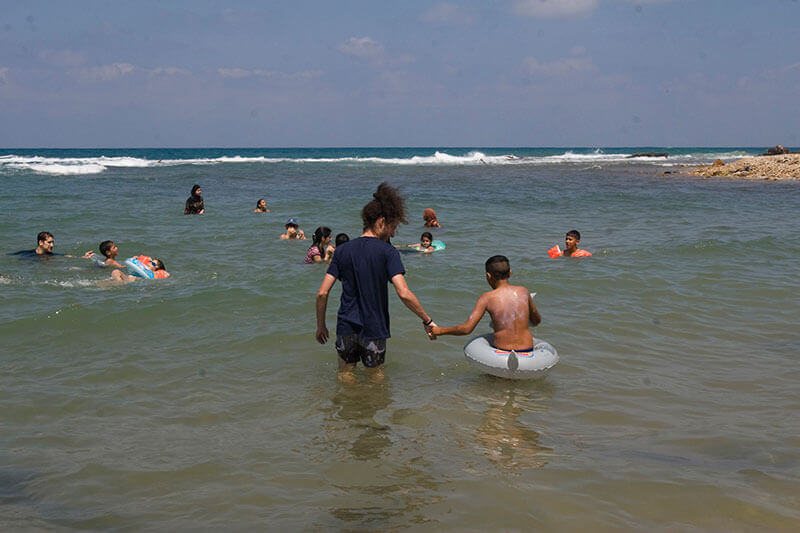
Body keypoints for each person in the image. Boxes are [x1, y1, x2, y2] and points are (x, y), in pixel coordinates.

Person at [315, 182, 435, 380]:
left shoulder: (342, 251)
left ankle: (350, 411)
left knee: (346, 376)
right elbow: (403, 293)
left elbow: (322, 292)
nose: (393, 234)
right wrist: (427, 320)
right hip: (374, 328)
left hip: (346, 326)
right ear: (381, 222)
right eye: (393, 227)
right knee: (376, 381)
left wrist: (321, 326)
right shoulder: (388, 252)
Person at [430, 255, 541, 351]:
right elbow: (536, 320)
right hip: (528, 350)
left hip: (503, 352)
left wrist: (439, 331)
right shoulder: (523, 291)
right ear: (510, 273)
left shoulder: (487, 298)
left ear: (488, 276)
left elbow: (466, 329)